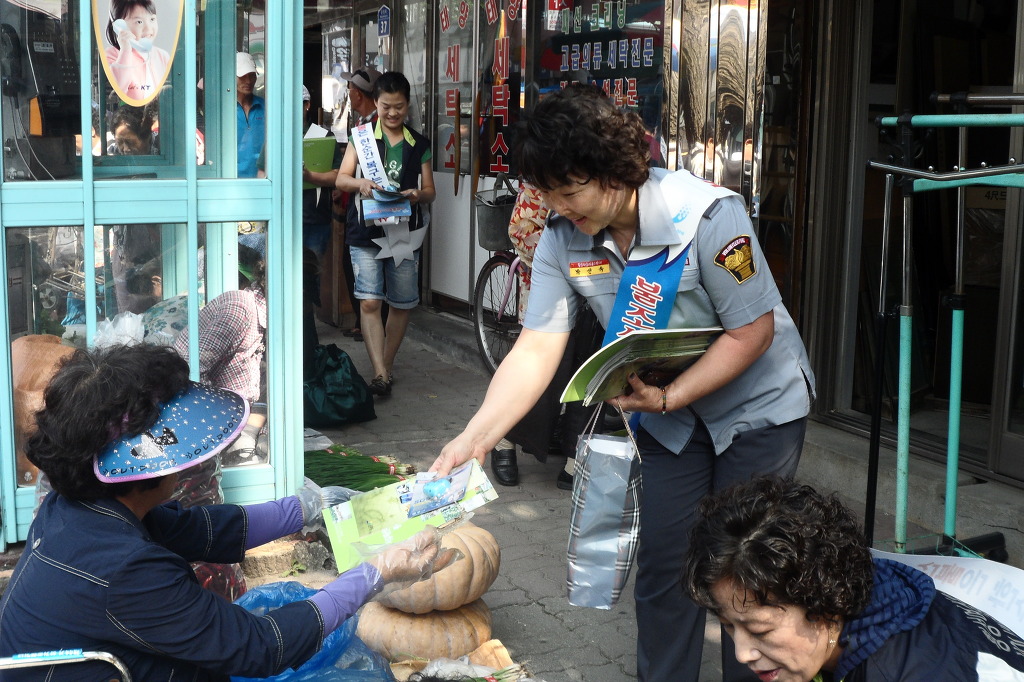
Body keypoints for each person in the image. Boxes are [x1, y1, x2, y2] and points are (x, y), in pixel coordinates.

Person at [429, 84, 815, 682]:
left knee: (747, 568)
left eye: (570, 190)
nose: (560, 207)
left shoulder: (709, 216)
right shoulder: (561, 239)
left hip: (755, 408)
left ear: (614, 167)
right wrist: (474, 437)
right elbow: (536, 348)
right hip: (667, 416)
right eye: (548, 194)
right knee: (667, 565)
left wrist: (670, 395)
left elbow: (752, 332)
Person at [0, 343, 452, 680]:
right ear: (137, 466)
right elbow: (260, 647)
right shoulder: (128, 570)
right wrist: (374, 573)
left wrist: (309, 507)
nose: (189, 460)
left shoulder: (77, 507)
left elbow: (200, 530)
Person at [684, 477, 1024, 682]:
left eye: (760, 630)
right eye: (728, 626)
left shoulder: (909, 670)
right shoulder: (884, 593)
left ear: (825, 604)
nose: (742, 654)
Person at [335, 71, 435, 397]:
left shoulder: (418, 144)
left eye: (399, 107)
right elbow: (341, 179)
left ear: (408, 105)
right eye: (386, 106)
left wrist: (417, 195)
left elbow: (430, 191)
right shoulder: (361, 138)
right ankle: (379, 372)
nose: (392, 113)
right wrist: (360, 183)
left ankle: (386, 367)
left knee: (402, 303)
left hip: (403, 232)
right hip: (365, 230)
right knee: (369, 301)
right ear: (376, 103)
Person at [338, 67, 384, 342]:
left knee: (365, 272)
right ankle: (361, 321)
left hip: (373, 210)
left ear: (359, 94)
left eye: (351, 89)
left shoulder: (375, 126)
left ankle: (368, 324)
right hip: (356, 206)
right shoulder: (361, 124)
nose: (349, 93)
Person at [103, 0, 171, 103]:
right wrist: (125, 50)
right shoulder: (112, 55)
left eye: (152, 19)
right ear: (119, 26)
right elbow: (118, 89)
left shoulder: (162, 56)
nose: (148, 28)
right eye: (139, 22)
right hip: (129, 112)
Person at [236, 51, 266, 178]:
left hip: (264, 178)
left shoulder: (267, 108)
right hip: (231, 178)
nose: (248, 81)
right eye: (243, 76)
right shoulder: (224, 111)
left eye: (252, 76)